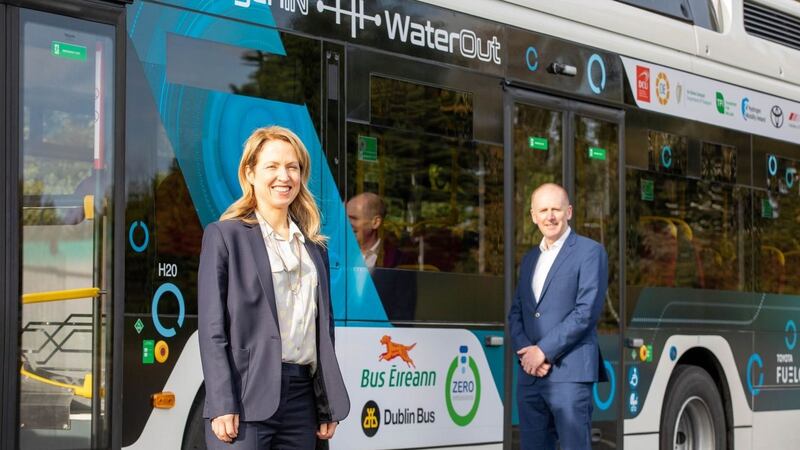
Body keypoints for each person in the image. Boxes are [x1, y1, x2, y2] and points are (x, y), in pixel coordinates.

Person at [198, 126, 349, 449]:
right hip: (246, 396)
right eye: (272, 166)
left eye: (292, 167)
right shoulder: (225, 236)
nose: (284, 176)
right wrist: (223, 402)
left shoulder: (314, 249)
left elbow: (323, 332)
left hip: (302, 399)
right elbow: (212, 330)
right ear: (250, 172)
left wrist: (326, 402)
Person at [508, 183, 608, 450]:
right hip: (531, 377)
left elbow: (586, 312)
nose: (550, 216)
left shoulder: (590, 252)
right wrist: (526, 353)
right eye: (543, 210)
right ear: (533, 215)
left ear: (569, 212)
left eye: (556, 209)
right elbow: (517, 312)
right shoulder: (529, 259)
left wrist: (543, 351)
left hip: (570, 375)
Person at [345, 192, 403, 270]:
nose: (346, 224)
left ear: (375, 223)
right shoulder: (336, 253)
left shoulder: (397, 260)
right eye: (345, 218)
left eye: (354, 218)